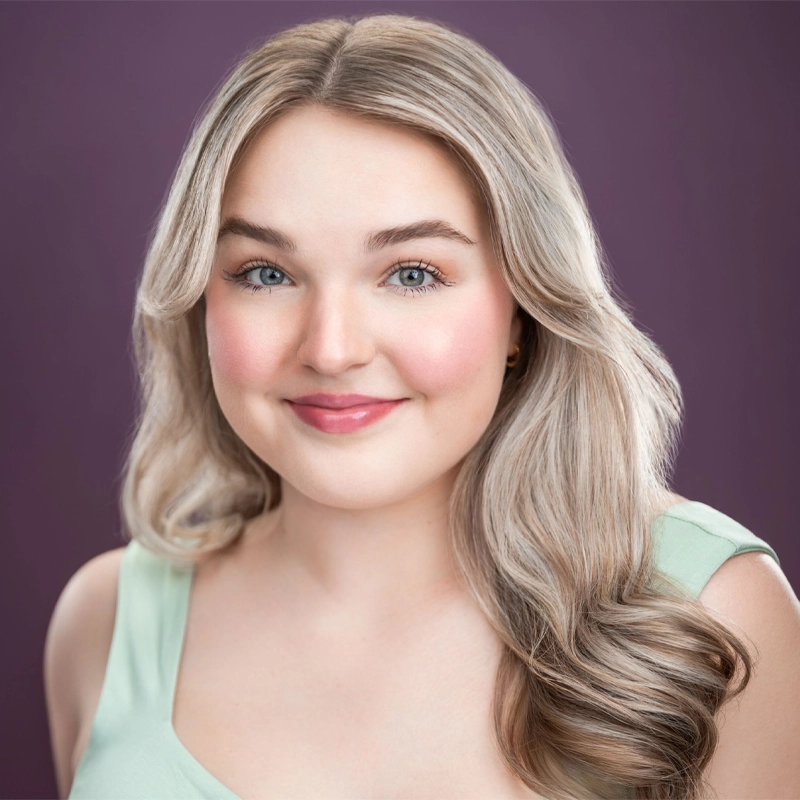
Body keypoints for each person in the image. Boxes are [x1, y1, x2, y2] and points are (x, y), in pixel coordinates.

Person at [44, 12, 800, 800]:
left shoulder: (709, 616)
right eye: (266, 273)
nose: (331, 349)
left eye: (411, 274)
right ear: (201, 298)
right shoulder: (104, 624)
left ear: (523, 310)